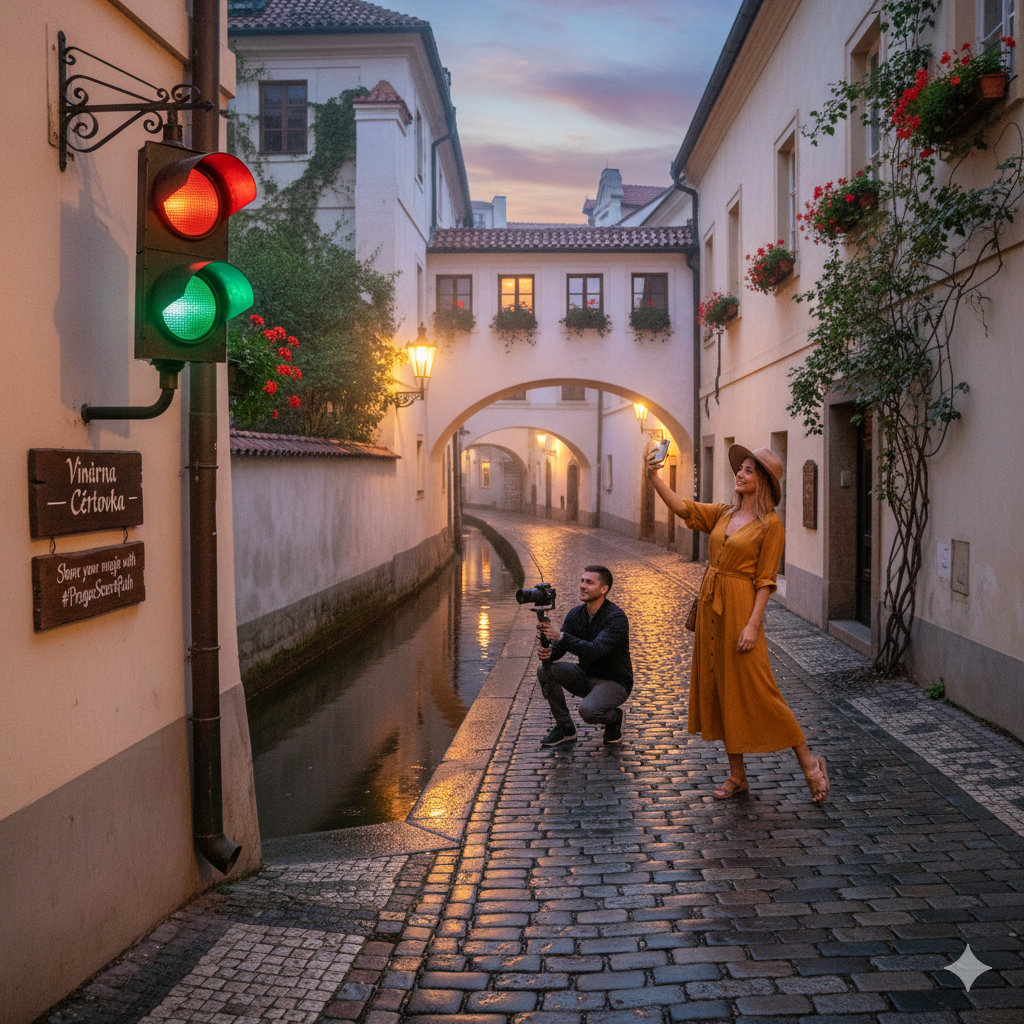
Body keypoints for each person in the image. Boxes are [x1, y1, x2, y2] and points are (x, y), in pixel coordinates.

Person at [646, 443, 830, 803]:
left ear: (761, 480)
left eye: (748, 470)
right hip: (712, 608)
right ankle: (737, 774)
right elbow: (683, 507)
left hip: (741, 609)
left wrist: (751, 625)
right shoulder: (725, 513)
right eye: (741, 468)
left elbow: (766, 580)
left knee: (760, 689)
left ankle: (810, 763)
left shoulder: (771, 525)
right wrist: (652, 475)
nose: (740, 474)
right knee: (719, 687)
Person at [535, 565, 633, 747]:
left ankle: (614, 718)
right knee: (545, 670)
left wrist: (560, 636)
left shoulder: (616, 618)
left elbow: (594, 650)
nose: (582, 586)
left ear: (604, 589)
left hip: (614, 682)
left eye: (589, 582)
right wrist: (548, 652)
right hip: (585, 675)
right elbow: (559, 650)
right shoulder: (576, 614)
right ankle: (565, 728)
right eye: (582, 581)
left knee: (587, 711)